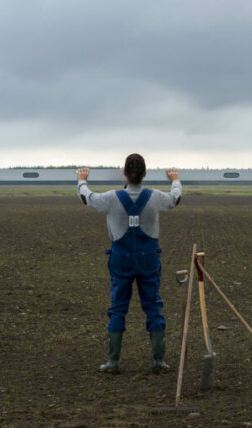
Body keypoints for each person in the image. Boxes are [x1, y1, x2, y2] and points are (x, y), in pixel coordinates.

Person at [77, 154, 182, 374]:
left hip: (120, 260)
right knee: (153, 307)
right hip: (148, 260)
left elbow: (87, 198)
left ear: (125, 173)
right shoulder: (154, 197)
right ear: (145, 174)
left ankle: (113, 362)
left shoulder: (111, 198)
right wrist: (175, 180)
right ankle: (158, 361)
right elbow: (175, 199)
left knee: (118, 309)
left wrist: (82, 179)